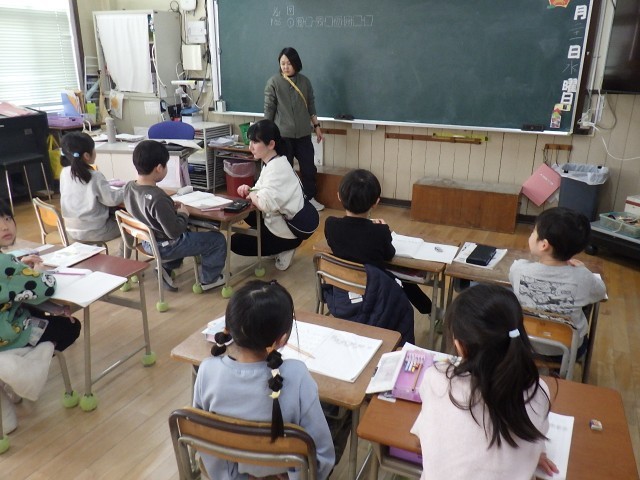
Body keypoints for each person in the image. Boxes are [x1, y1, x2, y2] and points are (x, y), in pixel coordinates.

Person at [411, 284, 558, 480]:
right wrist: (537, 453)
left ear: (460, 346)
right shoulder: (538, 392)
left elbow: (422, 438)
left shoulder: (436, 379)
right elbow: (535, 439)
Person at [193, 280, 335, 480]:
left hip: (230, 473)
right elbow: (322, 455)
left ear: (228, 329)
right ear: (282, 339)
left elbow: (204, 436)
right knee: (338, 417)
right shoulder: (297, 375)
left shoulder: (207, 371)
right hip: (287, 474)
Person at [0, 201, 81, 420]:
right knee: (70, 327)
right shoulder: (4, 264)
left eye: (7, 218)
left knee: (35, 311)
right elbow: (46, 286)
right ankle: (21, 367)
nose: (5, 226)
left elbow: (8, 281)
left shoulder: (7, 263)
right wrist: (39, 271)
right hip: (6, 336)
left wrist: (18, 265)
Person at [122, 140, 227, 291]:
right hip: (165, 247)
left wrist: (169, 208)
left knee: (188, 232)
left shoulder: (129, 187)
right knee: (217, 240)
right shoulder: (158, 197)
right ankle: (210, 279)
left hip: (147, 242)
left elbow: (147, 210)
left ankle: (166, 267)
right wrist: (183, 214)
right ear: (159, 168)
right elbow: (174, 232)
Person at [324, 169, 432, 315]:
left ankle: (429, 309)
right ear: (376, 202)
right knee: (403, 279)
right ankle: (430, 310)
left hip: (342, 285)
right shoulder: (379, 232)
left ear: (339, 196)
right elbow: (389, 255)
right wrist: (384, 229)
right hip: (374, 288)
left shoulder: (330, 224)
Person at [509, 207, 607, 358]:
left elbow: (512, 281)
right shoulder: (584, 277)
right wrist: (583, 269)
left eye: (533, 231)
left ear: (544, 245)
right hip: (568, 349)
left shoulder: (519, 269)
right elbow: (600, 292)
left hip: (526, 342)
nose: (531, 234)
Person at [232, 119, 304, 271]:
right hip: (280, 220)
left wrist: (251, 192)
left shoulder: (277, 168)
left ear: (271, 144)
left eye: (255, 142)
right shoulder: (273, 162)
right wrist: (250, 190)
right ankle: (275, 247)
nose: (250, 147)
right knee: (246, 212)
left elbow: (264, 204)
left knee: (235, 243)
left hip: (289, 231)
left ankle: (285, 247)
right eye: (250, 141)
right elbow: (258, 191)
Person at [264, 46, 325, 211]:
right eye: (282, 63)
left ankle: (309, 198)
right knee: (285, 170)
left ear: (296, 63)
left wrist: (317, 126)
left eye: (289, 63)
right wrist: (266, 134)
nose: (285, 67)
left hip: (304, 134)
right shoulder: (274, 82)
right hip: (283, 135)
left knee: (309, 169)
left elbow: (311, 106)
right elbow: (269, 109)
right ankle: (288, 202)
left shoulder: (305, 82)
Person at [59, 132, 126, 255]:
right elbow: (112, 200)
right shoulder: (95, 176)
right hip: (94, 230)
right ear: (86, 155)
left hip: (71, 230)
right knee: (129, 226)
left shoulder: (64, 173)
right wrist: (127, 188)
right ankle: (123, 259)